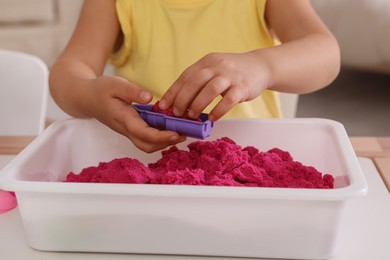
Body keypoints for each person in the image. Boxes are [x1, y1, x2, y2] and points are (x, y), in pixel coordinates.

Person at [49, 0, 340, 153]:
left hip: (252, 168)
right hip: (149, 167)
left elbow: (326, 54)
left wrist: (262, 66)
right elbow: (67, 73)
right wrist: (91, 95)